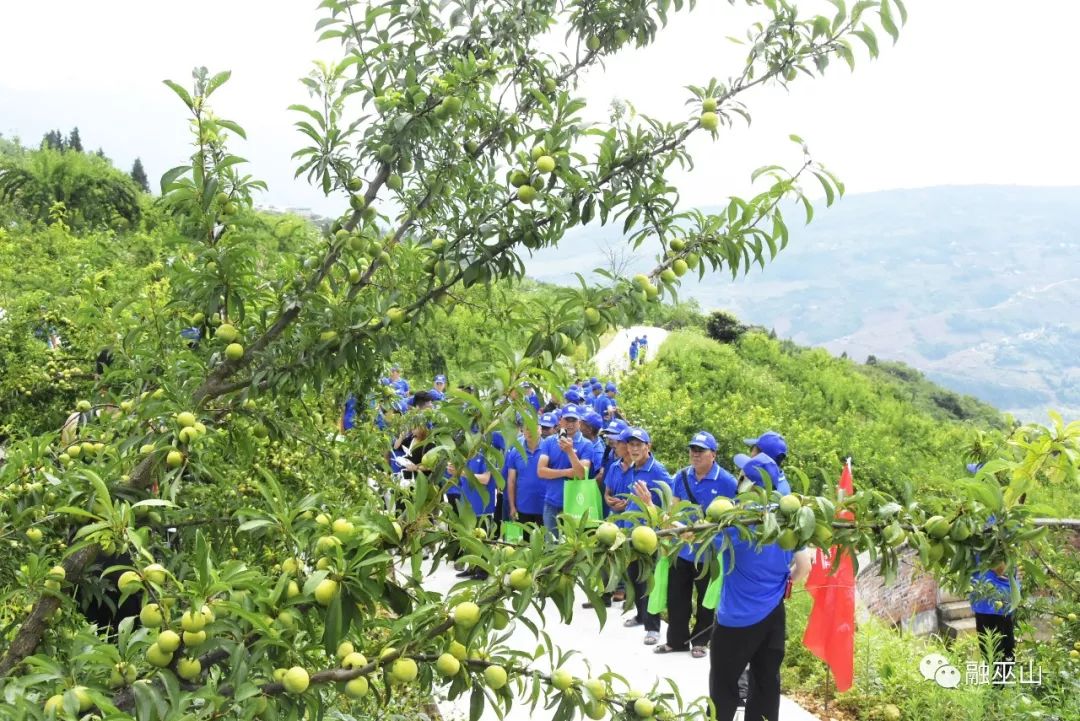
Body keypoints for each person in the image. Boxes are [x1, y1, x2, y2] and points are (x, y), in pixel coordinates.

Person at [709, 453, 811, 721]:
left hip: (736, 619)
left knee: (723, 685)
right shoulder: (791, 521)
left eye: (742, 476)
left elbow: (698, 543)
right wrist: (781, 582)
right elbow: (804, 567)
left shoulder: (737, 522)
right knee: (766, 684)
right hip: (773, 615)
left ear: (750, 485)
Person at [651, 431, 737, 658]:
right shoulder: (681, 477)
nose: (695, 454)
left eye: (701, 450)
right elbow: (672, 511)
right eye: (692, 450)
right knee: (677, 596)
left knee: (705, 598)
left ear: (714, 454)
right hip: (681, 548)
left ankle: (700, 640)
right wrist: (679, 529)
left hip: (709, 551)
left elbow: (732, 520)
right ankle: (676, 640)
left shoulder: (727, 482)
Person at [621, 427, 672, 645]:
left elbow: (670, 501)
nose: (633, 449)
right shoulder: (632, 468)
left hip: (650, 535)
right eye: (631, 445)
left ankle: (653, 627)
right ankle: (641, 616)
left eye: (638, 445)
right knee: (634, 577)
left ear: (647, 447)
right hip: (631, 534)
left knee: (650, 580)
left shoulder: (658, 471)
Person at [965, 463, 1018, 667]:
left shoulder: (988, 518)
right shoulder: (990, 517)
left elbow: (1002, 565)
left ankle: (997, 693)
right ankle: (997, 694)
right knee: (1001, 654)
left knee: (995, 652)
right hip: (991, 597)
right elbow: (1002, 565)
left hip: (993, 597)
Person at [537, 404, 592, 540]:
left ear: (579, 423)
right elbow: (541, 471)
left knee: (572, 547)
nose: (570, 424)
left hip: (576, 505)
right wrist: (567, 472)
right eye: (567, 420)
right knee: (551, 545)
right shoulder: (549, 442)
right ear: (560, 421)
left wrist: (569, 452)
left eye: (574, 421)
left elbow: (581, 474)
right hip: (551, 502)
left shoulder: (586, 444)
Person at [506, 423, 545, 539]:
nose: (530, 432)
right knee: (525, 546)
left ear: (540, 430)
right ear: (523, 430)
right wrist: (512, 506)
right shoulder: (515, 451)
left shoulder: (548, 447)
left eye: (533, 428)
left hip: (545, 507)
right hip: (523, 507)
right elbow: (511, 480)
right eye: (527, 429)